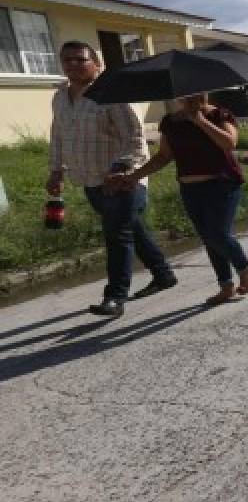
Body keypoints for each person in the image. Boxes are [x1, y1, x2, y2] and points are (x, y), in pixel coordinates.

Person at [46, 41, 177, 317]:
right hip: (89, 180)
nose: (73, 65)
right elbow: (58, 134)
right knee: (133, 230)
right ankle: (163, 274)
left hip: (123, 180)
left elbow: (134, 137)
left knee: (117, 235)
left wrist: (121, 169)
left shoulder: (113, 94)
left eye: (81, 60)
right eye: (67, 60)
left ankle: (115, 298)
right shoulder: (60, 97)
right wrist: (56, 170)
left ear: (97, 64)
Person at [120, 93, 248, 306]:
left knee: (218, 234)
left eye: (198, 93)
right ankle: (226, 286)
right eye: (186, 95)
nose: (192, 98)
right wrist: (133, 177)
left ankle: (244, 270)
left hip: (222, 184)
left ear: (205, 93)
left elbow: (229, 143)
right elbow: (164, 156)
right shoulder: (171, 122)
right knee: (208, 237)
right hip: (190, 188)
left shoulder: (220, 115)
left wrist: (200, 121)